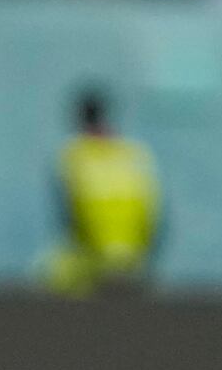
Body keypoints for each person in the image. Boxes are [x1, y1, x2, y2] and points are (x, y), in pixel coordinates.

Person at [47, 87, 163, 292]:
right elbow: (156, 219)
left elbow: (68, 219)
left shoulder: (72, 156)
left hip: (93, 262)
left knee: (50, 275)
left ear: (78, 119)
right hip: (135, 262)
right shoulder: (136, 155)